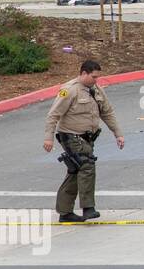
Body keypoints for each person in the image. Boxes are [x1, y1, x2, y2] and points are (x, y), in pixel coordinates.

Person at [43, 59, 125, 223]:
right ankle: (88, 208)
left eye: (97, 77)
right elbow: (53, 114)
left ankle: (65, 212)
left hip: (87, 138)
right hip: (71, 136)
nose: (96, 80)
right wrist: (48, 137)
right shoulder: (69, 91)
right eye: (94, 77)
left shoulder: (96, 91)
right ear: (83, 73)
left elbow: (107, 112)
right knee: (86, 165)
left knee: (75, 171)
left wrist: (118, 134)